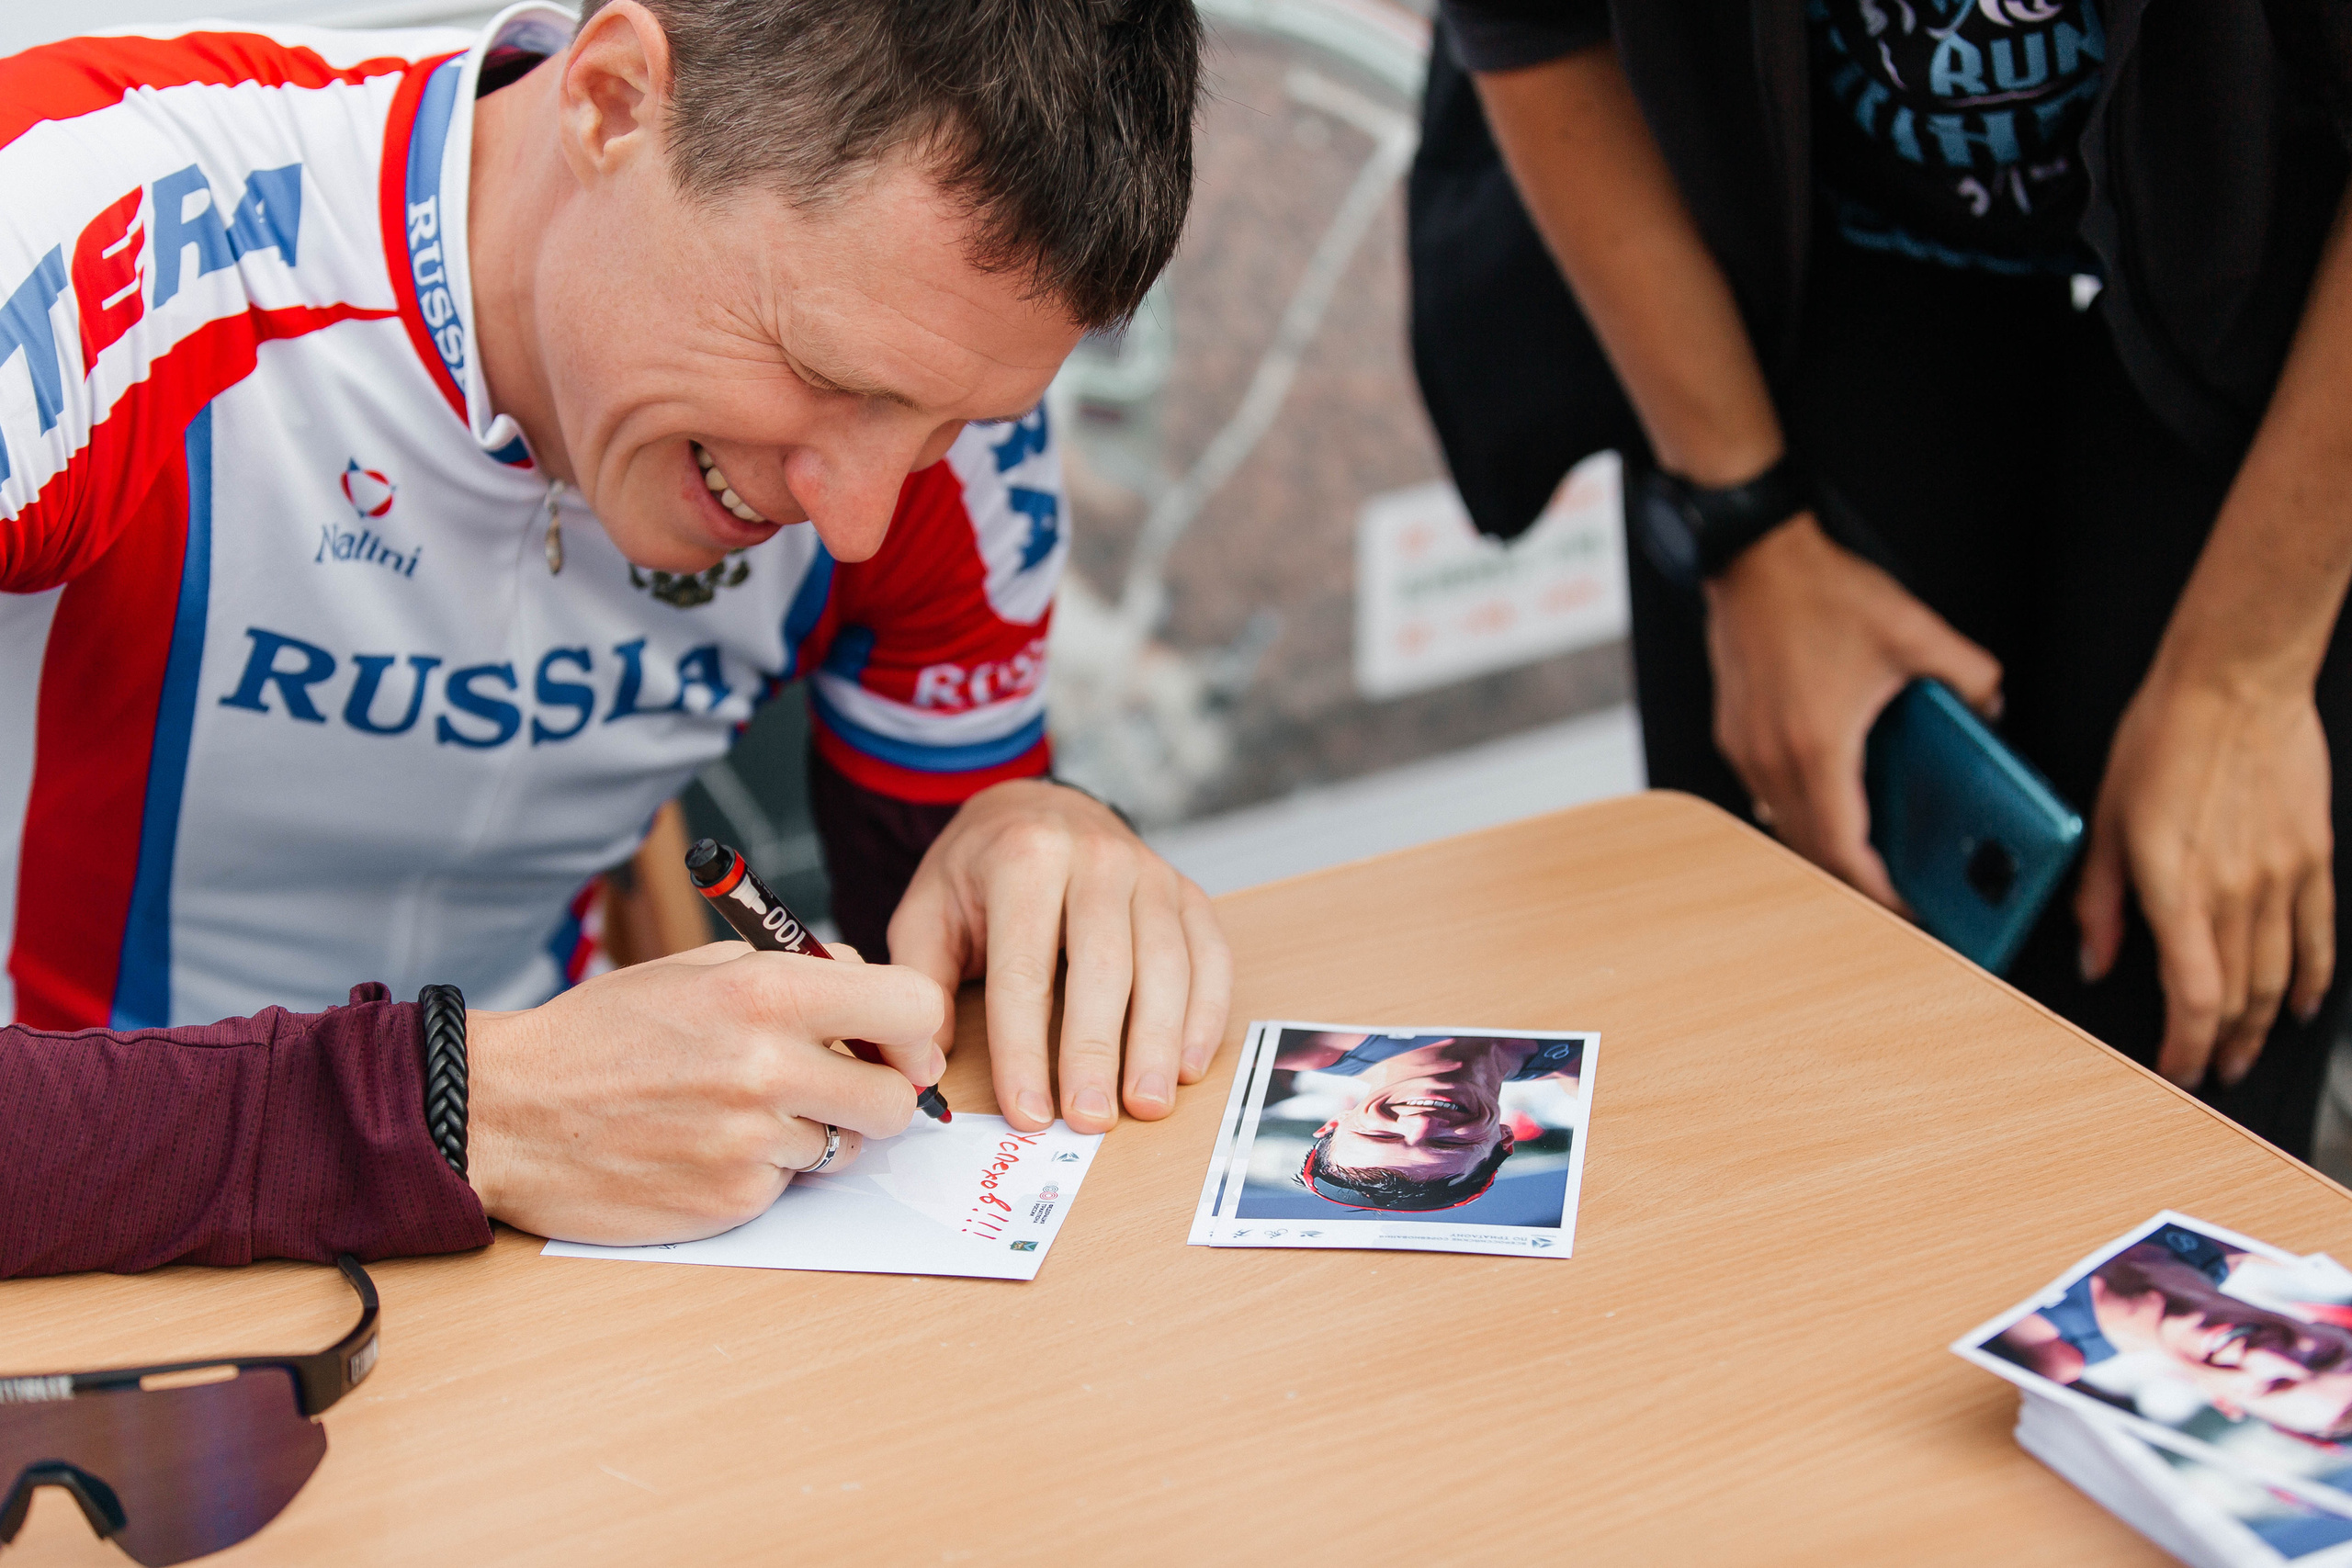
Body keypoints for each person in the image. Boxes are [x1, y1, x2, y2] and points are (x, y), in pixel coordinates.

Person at [0, 0, 1229, 1276]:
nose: (860, 519)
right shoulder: (74, 229)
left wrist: (1028, 835)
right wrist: (450, 1107)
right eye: (827, 372)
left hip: (536, 1222)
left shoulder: (946, 416)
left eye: (945, 425)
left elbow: (925, 1018)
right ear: (613, 103)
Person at [1410, 1, 2352, 1156]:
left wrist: (2246, 674)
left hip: (2274, 299)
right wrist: (1748, 533)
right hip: (1784, 255)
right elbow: (1531, 26)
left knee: (2186, 1081)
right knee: (1791, 1061)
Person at [1992, 1224, 2352, 1440]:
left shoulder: (2049, 1354)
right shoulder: (2235, 1232)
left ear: (2222, 1402)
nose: (2265, 1356)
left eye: (2272, 1386)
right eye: (2323, 1355)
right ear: (2327, 1324)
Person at [1274, 1031, 1581, 1211]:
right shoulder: (1580, 1067)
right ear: (1504, 1138)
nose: (1420, 1124)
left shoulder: (1295, 1043)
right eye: (1448, 1143)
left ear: (1336, 1122)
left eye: (1381, 1136)